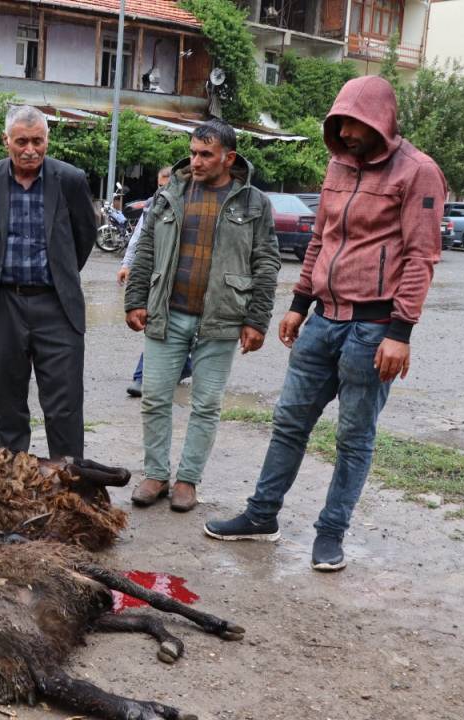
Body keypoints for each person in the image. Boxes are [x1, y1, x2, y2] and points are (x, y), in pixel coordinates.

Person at [204, 76, 446, 571]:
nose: (349, 133)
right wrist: (298, 303)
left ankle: (331, 533)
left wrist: (401, 333)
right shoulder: (337, 165)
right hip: (322, 321)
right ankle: (261, 515)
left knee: (354, 438)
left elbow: (421, 257)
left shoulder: (419, 172)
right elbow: (320, 239)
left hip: (374, 328)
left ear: (383, 121)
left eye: (358, 124)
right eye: (341, 124)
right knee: (289, 421)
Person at [124, 120, 281, 513]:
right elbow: (146, 247)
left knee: (207, 403)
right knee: (155, 397)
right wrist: (135, 299)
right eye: (193, 152)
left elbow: (266, 262)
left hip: (221, 318)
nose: (195, 161)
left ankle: (187, 481)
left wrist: (257, 320)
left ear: (228, 158)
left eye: (205, 154)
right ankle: (156, 474)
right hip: (167, 311)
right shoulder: (169, 193)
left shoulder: (253, 203)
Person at [0, 105, 97, 460]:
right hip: (4, 306)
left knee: (64, 405)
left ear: (47, 140)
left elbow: (85, 236)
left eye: (38, 141)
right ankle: (13, 487)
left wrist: (60, 275)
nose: (30, 150)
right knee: (8, 405)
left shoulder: (70, 179)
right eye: (22, 141)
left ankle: (69, 491)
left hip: (57, 306)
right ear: (6, 140)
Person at [118, 165, 192, 398]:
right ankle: (143, 377)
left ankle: (182, 365)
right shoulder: (155, 204)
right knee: (158, 324)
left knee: (181, 328)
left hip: (185, 281)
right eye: (159, 186)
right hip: (157, 277)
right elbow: (140, 237)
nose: (162, 190)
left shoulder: (188, 205)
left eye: (166, 185)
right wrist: (127, 264)